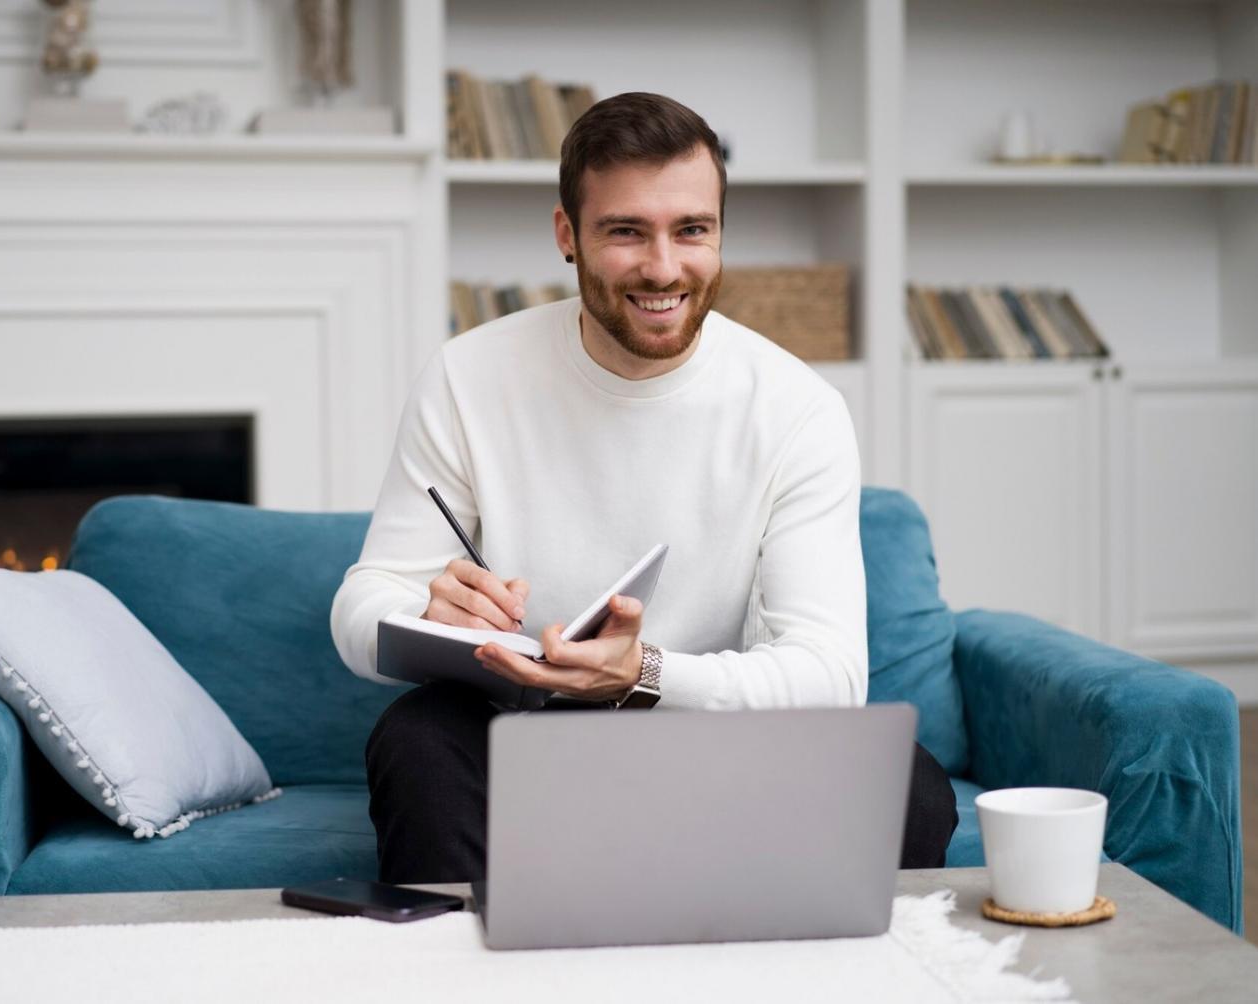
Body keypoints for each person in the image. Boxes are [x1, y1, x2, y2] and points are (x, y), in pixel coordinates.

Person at [330, 92, 958, 883]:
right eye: (625, 231)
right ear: (567, 234)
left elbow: (831, 675)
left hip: (711, 744)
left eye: (691, 230)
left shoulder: (797, 409)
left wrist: (644, 673)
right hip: (527, 741)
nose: (663, 268)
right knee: (416, 733)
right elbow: (357, 612)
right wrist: (419, 611)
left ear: (720, 232)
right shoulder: (467, 376)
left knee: (909, 785)